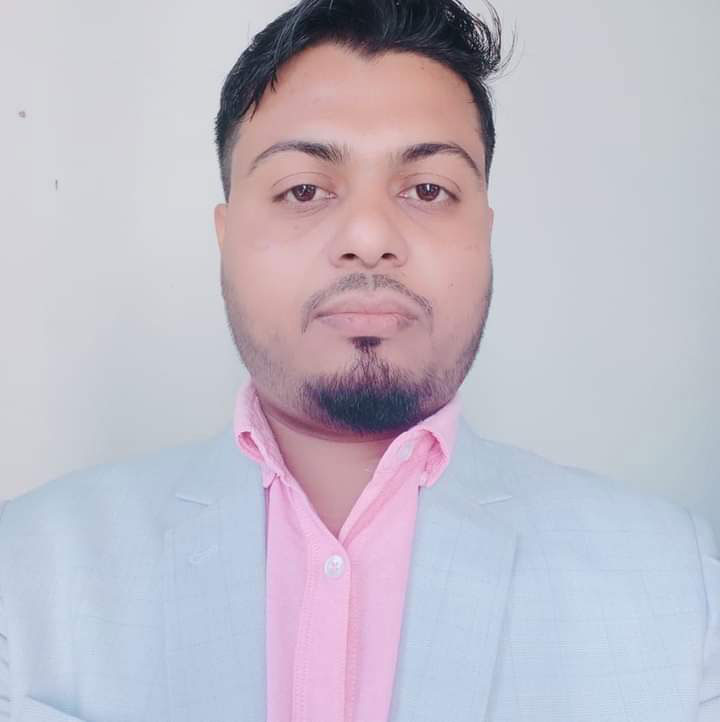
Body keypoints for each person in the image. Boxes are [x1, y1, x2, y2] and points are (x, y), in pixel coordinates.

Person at [1, 0, 717, 720]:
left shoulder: (684, 592)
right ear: (225, 235)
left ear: (485, 232)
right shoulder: (23, 573)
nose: (369, 237)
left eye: (429, 190)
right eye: (303, 190)